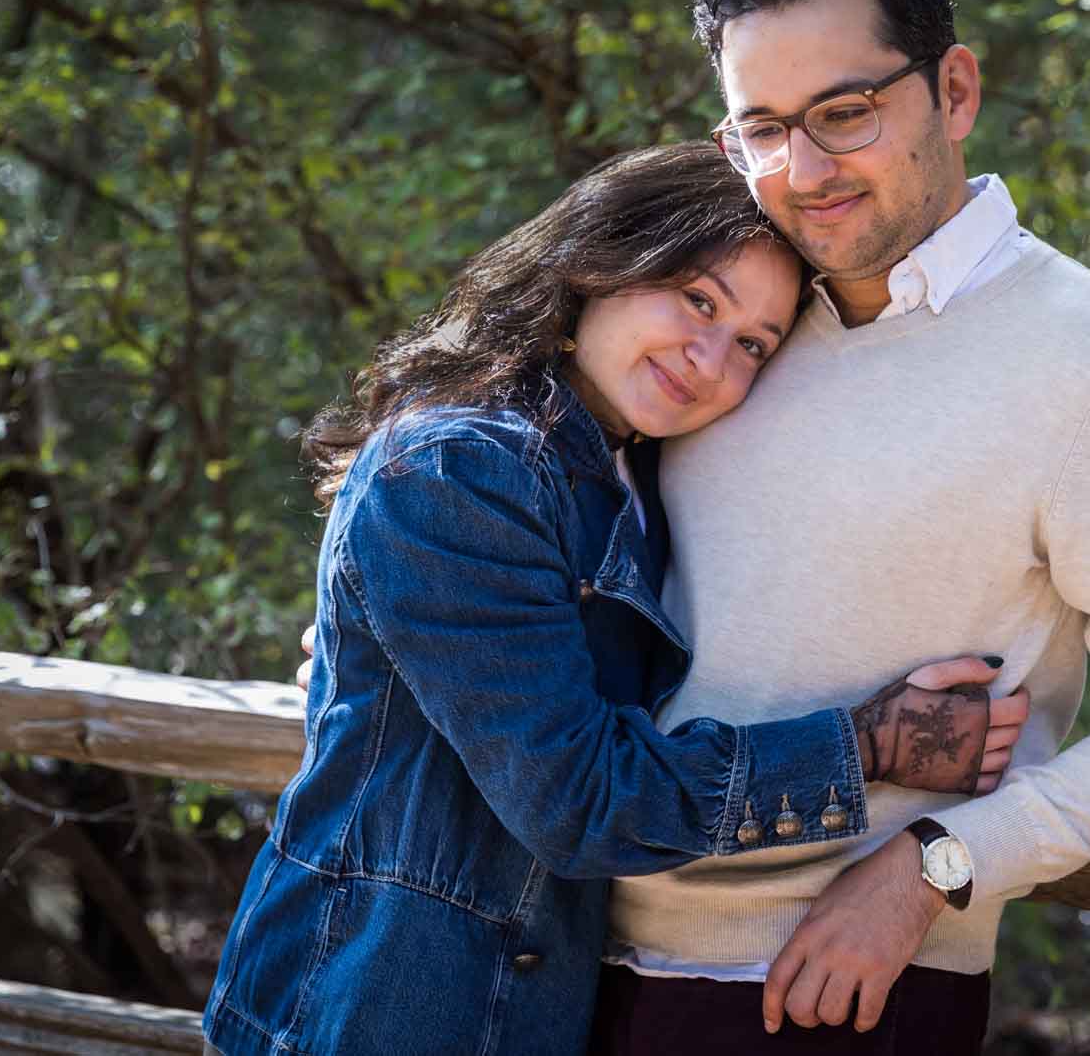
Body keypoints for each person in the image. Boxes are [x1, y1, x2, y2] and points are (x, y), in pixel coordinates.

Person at [579, 0, 1090, 1055]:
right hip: (554, 960)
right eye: (760, 128)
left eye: (843, 114)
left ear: (951, 90)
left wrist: (933, 866)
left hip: (830, 996)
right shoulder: (729, 318)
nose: (799, 171)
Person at [204, 141, 1031, 1056]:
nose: (712, 356)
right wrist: (869, 743)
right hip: (375, 1004)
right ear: (604, 258)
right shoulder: (459, 466)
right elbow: (581, 800)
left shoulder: (629, 467)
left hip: (526, 1009)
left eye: (753, 342)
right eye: (698, 298)